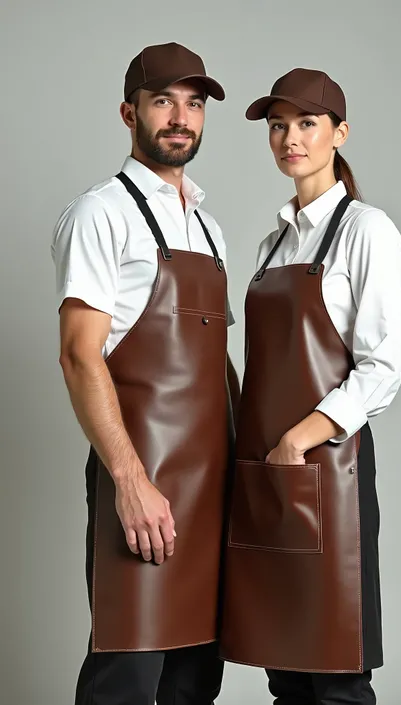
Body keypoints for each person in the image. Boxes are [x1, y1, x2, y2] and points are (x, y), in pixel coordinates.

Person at [51, 42, 239, 705]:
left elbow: (217, 371)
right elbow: (80, 354)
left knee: (194, 682)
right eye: (164, 102)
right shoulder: (100, 213)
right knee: (126, 675)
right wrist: (128, 480)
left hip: (210, 490)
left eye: (193, 103)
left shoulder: (211, 228)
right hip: (142, 480)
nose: (180, 118)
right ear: (129, 112)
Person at [221, 68, 401, 704]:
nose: (289, 138)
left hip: (328, 472)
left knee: (334, 672)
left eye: (306, 123)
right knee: (284, 668)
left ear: (340, 133)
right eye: (277, 126)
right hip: (267, 471)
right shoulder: (273, 244)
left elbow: (381, 367)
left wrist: (298, 440)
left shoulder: (367, 231)